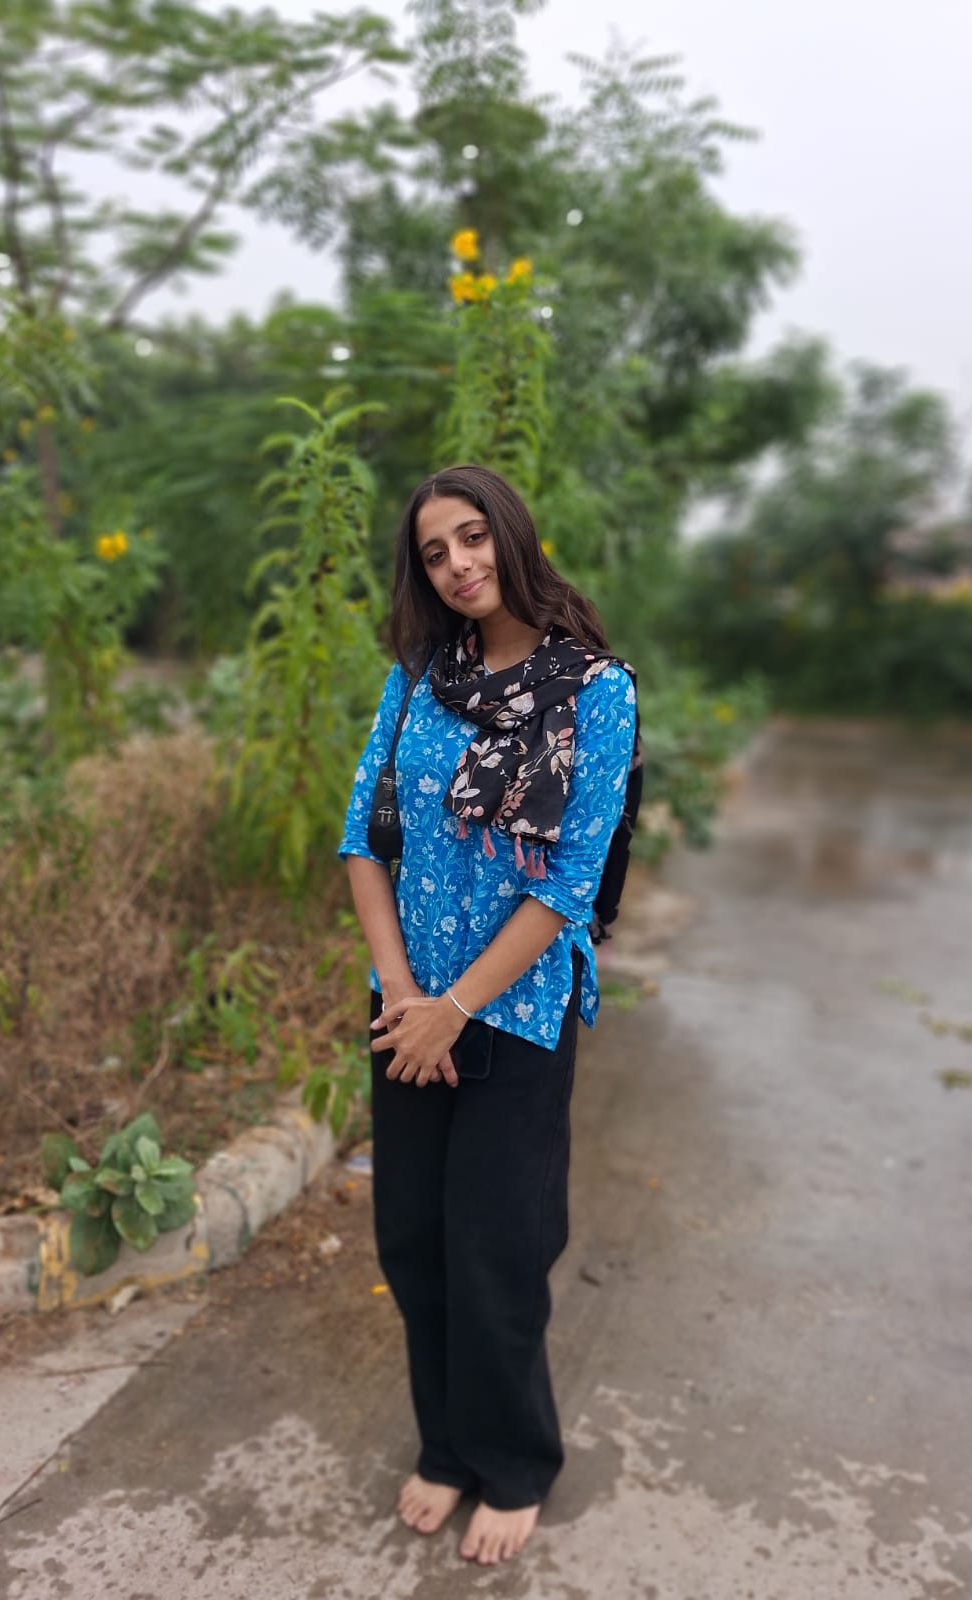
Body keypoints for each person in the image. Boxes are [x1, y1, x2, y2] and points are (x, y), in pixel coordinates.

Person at [338, 463, 638, 1566]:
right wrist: (403, 994)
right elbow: (364, 838)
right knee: (413, 1241)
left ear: (511, 536)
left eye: (472, 537)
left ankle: (514, 1465)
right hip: (407, 1008)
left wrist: (455, 1007)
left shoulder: (595, 689)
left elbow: (568, 884)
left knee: (497, 1251)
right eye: (434, 552)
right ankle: (449, 1448)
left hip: (512, 1014)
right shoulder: (418, 679)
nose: (459, 564)